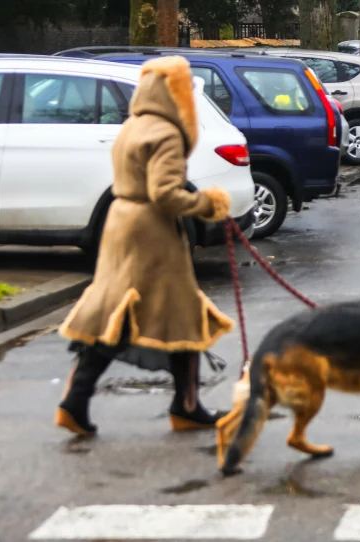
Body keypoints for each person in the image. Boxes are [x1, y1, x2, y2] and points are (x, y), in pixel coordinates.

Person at [55, 56, 235, 437]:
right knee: (173, 315)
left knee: (124, 311)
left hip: (122, 226)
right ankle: (184, 406)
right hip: (152, 234)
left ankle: (78, 398)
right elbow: (165, 192)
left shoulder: (132, 127)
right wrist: (207, 204)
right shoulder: (166, 133)